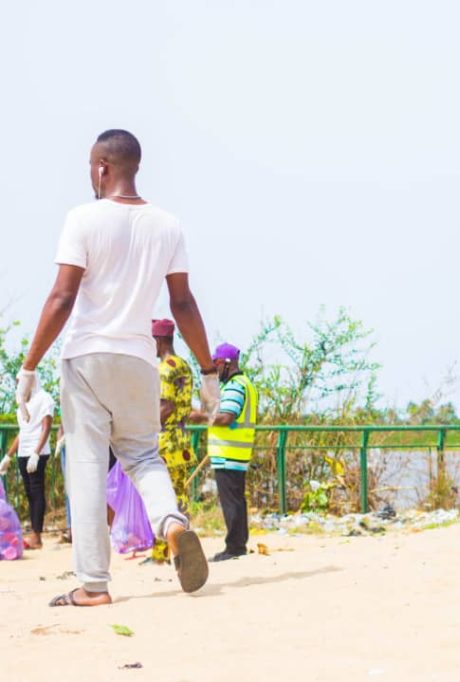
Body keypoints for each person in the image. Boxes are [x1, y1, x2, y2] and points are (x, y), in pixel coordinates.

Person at [16, 129, 221, 607]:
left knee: (87, 464)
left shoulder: (83, 219)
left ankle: (93, 585)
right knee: (143, 457)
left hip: (87, 356)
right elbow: (183, 302)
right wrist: (208, 371)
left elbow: (63, 296)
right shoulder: (167, 224)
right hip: (137, 358)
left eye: (91, 166)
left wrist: (29, 367)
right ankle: (171, 523)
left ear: (103, 166)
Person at [192, 343, 259, 562]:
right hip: (236, 451)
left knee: (231, 502)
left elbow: (226, 418)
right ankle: (238, 544)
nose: (215, 369)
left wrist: (200, 416)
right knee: (236, 500)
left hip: (229, 451)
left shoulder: (234, 386)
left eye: (217, 364)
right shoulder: (245, 383)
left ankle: (234, 547)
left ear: (226, 364)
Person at [150, 319, 195, 563]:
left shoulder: (164, 369)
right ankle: (185, 548)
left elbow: (166, 406)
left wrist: (146, 429)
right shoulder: (184, 365)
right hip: (182, 440)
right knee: (180, 497)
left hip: (165, 441)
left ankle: (160, 554)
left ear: (157, 340)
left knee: (162, 499)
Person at [0, 384, 55, 549]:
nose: (18, 384)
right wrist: (8, 456)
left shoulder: (44, 398)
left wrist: (36, 453)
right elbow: (23, 432)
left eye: (21, 380)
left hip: (36, 453)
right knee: (29, 493)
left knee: (37, 491)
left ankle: (37, 536)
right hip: (23, 453)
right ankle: (33, 532)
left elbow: (47, 427)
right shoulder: (23, 403)